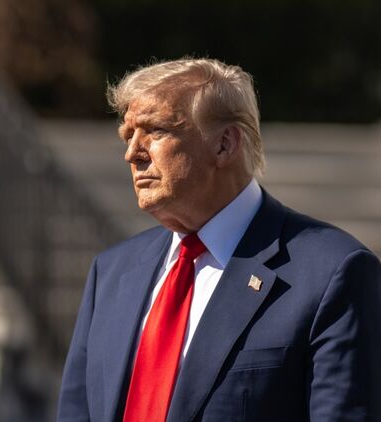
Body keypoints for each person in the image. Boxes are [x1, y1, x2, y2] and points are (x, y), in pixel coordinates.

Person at [57, 58, 381, 421]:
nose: (132, 153)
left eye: (155, 130)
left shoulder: (332, 273)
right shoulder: (111, 272)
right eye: (127, 135)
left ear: (225, 145)